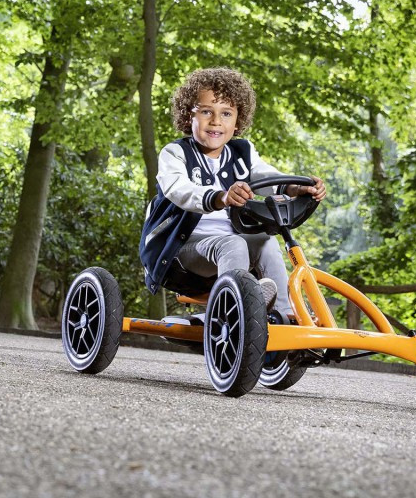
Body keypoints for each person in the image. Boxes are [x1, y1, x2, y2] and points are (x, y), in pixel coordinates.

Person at [139, 67, 325, 315]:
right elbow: (179, 190)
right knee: (233, 244)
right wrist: (220, 197)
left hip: (228, 249)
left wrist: (295, 187)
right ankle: (232, 310)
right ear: (188, 117)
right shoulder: (175, 154)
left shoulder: (242, 153)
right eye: (206, 112)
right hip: (180, 252)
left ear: (238, 121)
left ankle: (282, 315)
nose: (216, 121)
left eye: (226, 113)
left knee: (265, 242)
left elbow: (266, 176)